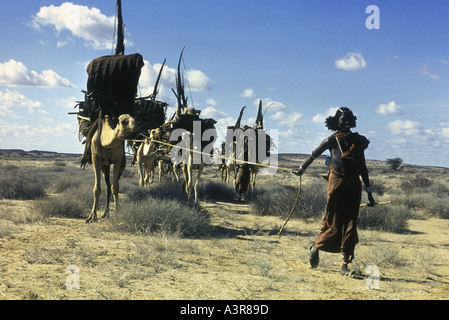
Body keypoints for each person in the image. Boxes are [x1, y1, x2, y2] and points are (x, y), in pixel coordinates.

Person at [293, 107, 375, 276]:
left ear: (353, 121)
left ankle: (345, 266)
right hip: (337, 184)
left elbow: (362, 167)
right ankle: (316, 246)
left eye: (349, 119)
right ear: (336, 121)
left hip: (353, 186)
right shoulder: (331, 140)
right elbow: (313, 155)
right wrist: (301, 169)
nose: (346, 122)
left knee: (351, 224)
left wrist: (369, 190)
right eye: (343, 119)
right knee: (334, 222)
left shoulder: (358, 141)